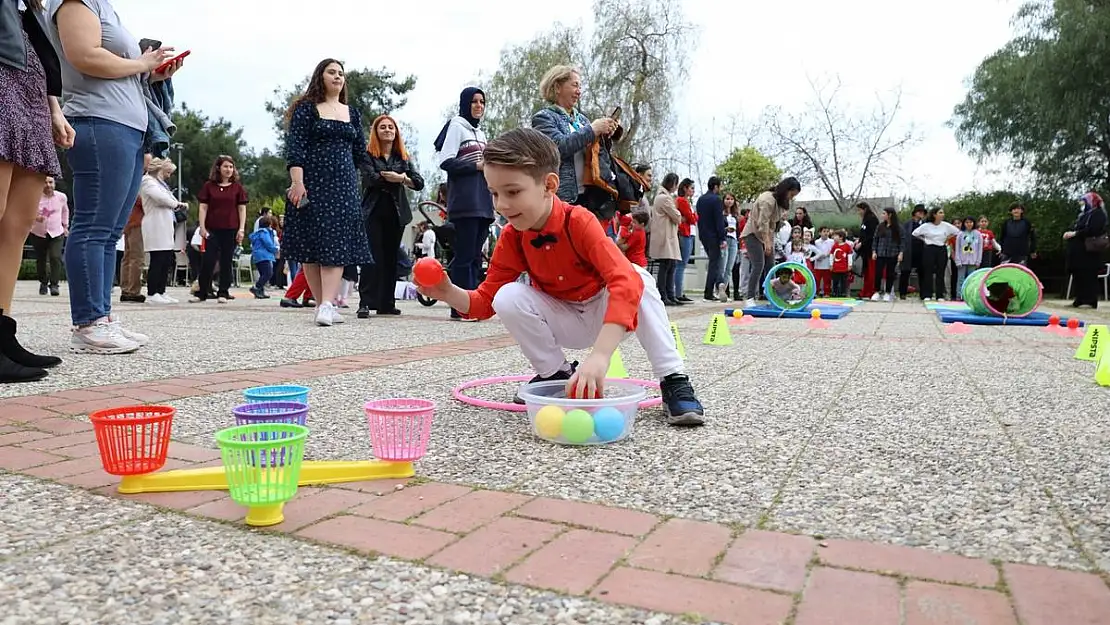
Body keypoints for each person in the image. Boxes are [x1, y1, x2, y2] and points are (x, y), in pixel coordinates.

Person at [416, 128, 705, 426]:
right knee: (507, 296)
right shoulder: (513, 237)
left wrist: (600, 357)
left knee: (637, 277)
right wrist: (447, 290)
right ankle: (556, 374)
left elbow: (623, 282)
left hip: (607, 315)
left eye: (513, 192)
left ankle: (673, 378)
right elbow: (486, 302)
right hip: (563, 316)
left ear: (549, 185)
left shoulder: (579, 220)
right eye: (494, 193)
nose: (501, 205)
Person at [49, 0, 182, 354]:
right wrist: (142, 62)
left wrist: (152, 74)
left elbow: (112, 67)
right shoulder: (75, 3)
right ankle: (88, 322)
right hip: (98, 122)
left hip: (123, 126)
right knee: (93, 226)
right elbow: (84, 57)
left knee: (109, 232)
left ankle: (102, 318)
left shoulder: (101, 6)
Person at [0, 0, 74, 381]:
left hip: (28, 91)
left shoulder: (25, 8)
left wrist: (55, 111)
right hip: (3, 82)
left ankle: (2, 332)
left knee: (17, 223)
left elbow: (42, 55)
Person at [283, 58, 374, 327]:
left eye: (341, 73)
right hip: (312, 181)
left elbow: (360, 152)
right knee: (311, 244)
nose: (337, 77)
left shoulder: (352, 113)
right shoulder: (306, 109)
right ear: (320, 77)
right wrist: (297, 183)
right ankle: (323, 304)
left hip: (344, 185)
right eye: (331, 72)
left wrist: (377, 172)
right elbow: (295, 148)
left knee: (335, 241)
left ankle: (326, 303)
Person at [434, 87, 494, 321]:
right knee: (465, 254)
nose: (479, 106)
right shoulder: (457, 126)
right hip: (466, 201)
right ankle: (460, 306)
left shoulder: (481, 133)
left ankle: (472, 303)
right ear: (465, 104)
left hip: (483, 200)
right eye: (474, 102)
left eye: (482, 102)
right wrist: (475, 166)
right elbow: (446, 161)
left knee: (476, 256)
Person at [358, 114, 424, 318]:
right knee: (371, 257)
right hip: (373, 211)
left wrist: (401, 178)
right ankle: (365, 302)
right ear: (376, 132)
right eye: (383, 127)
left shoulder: (403, 157)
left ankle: (387, 302)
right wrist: (397, 179)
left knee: (390, 257)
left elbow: (419, 182)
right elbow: (371, 179)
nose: (387, 130)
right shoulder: (367, 154)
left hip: (396, 213)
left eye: (391, 127)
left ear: (396, 132)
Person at [530, 65, 617, 213]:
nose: (579, 92)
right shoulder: (544, 118)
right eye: (575, 85)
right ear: (557, 87)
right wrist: (593, 129)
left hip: (589, 197)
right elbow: (557, 148)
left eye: (580, 87)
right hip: (563, 198)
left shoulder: (582, 120)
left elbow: (596, 155)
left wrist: (605, 135)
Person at [739, 177, 801, 307]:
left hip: (767, 235)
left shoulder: (779, 202)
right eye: (791, 195)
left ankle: (772, 295)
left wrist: (769, 242)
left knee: (771, 266)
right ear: (786, 190)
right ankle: (749, 297)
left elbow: (773, 226)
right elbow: (763, 223)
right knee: (758, 265)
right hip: (753, 234)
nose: (790, 198)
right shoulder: (767, 200)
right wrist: (767, 243)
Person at [193, 156, 247, 304]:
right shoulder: (209, 186)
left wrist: (241, 229)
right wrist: (202, 227)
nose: (229, 169)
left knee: (226, 261)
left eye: (231, 167)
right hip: (212, 229)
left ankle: (223, 291)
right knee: (208, 260)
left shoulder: (237, 188)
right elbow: (203, 207)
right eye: (225, 166)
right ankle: (202, 292)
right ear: (218, 168)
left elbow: (242, 209)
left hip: (230, 229)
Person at [138, 157, 186, 304]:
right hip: (155, 224)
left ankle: (161, 290)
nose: (169, 175)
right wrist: (176, 204)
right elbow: (160, 198)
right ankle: (152, 293)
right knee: (157, 258)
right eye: (167, 172)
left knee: (166, 258)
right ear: (160, 169)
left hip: (165, 224)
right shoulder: (147, 181)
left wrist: (175, 203)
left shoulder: (162, 184)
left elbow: (167, 196)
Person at [1064, 192, 1108, 309]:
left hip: (1089, 251)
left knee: (1089, 275)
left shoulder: (1098, 214)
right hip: (1079, 251)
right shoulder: (1084, 214)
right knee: (1079, 275)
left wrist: (1075, 233)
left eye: (1083, 201)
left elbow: (1093, 230)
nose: (1081, 203)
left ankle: (1090, 300)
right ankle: (1080, 299)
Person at [29, 176, 68, 297]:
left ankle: (55, 284)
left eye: (50, 182)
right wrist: (36, 218)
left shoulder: (61, 197)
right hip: (38, 232)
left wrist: (65, 226)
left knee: (55, 257)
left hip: (56, 232)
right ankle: (43, 282)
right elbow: (28, 212)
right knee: (40, 259)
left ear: (54, 184)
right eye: (45, 182)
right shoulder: (35, 197)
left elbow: (65, 211)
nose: (48, 185)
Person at [912, 207, 960, 301]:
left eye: (943, 212)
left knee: (940, 272)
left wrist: (948, 238)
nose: (943, 214)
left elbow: (957, 232)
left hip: (941, 248)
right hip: (929, 249)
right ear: (934, 214)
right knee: (928, 272)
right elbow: (915, 233)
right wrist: (924, 239)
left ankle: (940, 295)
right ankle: (927, 295)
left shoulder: (946, 225)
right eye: (940, 212)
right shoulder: (926, 225)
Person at [649, 173, 682, 306]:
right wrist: (678, 214)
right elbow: (677, 216)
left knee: (670, 265)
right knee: (666, 266)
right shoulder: (664, 198)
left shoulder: (660, 196)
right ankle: (664, 295)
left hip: (665, 236)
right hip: (666, 237)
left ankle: (670, 294)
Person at [695, 177, 727, 301]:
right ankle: (709, 292)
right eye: (720, 186)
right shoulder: (716, 200)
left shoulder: (700, 200)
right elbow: (718, 221)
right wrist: (722, 237)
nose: (721, 188)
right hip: (714, 236)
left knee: (715, 262)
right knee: (715, 263)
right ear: (716, 186)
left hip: (703, 235)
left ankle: (719, 284)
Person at [870, 208, 902, 302]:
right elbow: (875, 239)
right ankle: (876, 291)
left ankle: (887, 293)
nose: (882, 215)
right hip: (880, 253)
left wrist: (901, 253)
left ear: (890, 215)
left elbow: (902, 241)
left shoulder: (898, 227)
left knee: (890, 274)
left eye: (884, 213)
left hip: (893, 253)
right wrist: (874, 251)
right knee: (878, 273)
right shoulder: (880, 226)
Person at [673, 178, 697, 302]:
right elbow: (692, 218)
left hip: (690, 233)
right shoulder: (682, 200)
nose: (693, 190)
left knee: (682, 264)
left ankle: (679, 291)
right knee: (681, 264)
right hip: (685, 233)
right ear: (685, 188)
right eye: (691, 188)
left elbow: (694, 217)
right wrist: (691, 217)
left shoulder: (688, 202)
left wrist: (691, 217)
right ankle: (678, 292)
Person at [898, 204, 926, 299]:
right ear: (915, 213)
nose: (921, 214)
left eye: (923, 212)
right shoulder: (907, 224)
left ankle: (923, 294)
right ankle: (902, 293)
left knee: (922, 273)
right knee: (905, 272)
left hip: (922, 251)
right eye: (919, 212)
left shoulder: (925, 224)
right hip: (909, 250)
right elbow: (902, 237)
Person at [249, 215, 279, 299]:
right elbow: (268, 244)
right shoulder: (264, 232)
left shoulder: (257, 233)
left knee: (263, 273)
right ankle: (256, 287)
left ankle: (260, 291)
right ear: (269, 224)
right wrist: (275, 250)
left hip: (257, 256)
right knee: (268, 273)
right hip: (264, 255)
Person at [854, 202, 879, 299]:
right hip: (864, 251)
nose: (859, 212)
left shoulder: (872, 219)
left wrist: (862, 243)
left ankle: (871, 291)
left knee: (871, 272)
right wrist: (858, 240)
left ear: (864, 209)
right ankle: (865, 291)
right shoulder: (864, 220)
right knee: (866, 272)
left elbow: (872, 235)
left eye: (859, 210)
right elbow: (863, 234)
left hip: (870, 250)